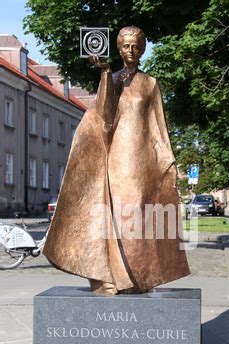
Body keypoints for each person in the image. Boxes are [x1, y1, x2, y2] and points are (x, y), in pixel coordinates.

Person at [43, 26, 190, 294]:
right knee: (116, 212)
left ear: (142, 48)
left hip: (142, 159)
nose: (131, 50)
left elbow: (159, 126)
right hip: (117, 157)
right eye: (125, 46)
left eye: (135, 45)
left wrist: (167, 161)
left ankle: (138, 277)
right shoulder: (112, 80)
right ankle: (111, 276)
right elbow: (104, 118)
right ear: (119, 49)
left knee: (140, 215)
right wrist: (105, 74)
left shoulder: (151, 84)